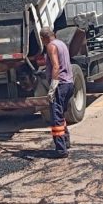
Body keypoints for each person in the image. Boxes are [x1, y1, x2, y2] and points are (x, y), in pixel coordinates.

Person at [40, 26, 73, 158]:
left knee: (55, 118)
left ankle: (61, 150)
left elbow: (55, 66)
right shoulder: (61, 44)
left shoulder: (51, 46)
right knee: (61, 115)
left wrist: (53, 86)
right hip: (69, 83)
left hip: (60, 85)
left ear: (43, 38)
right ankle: (66, 141)